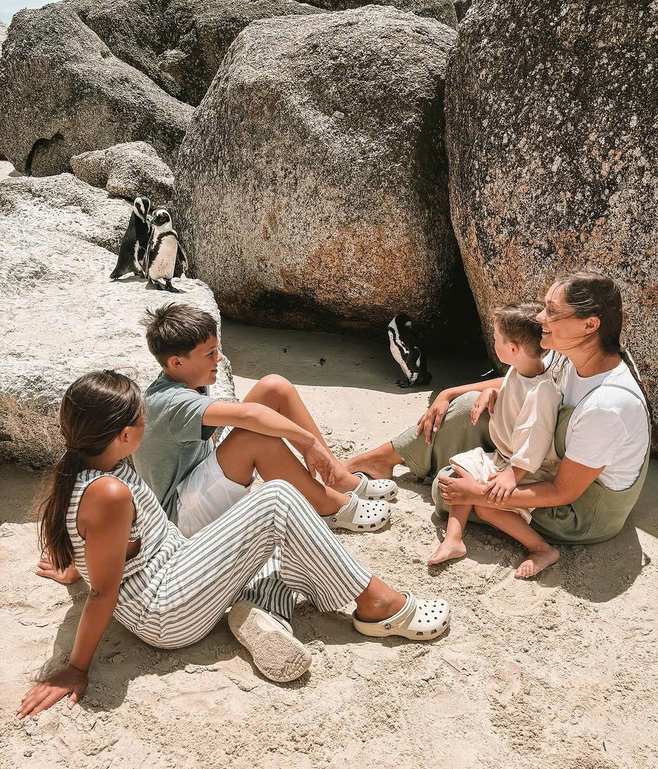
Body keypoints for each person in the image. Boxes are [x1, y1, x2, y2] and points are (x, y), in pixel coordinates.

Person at [19, 371, 450, 718]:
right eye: (141, 417)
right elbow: (103, 590)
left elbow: (94, 541)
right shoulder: (108, 492)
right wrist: (75, 668)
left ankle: (266, 613)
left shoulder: (89, 463)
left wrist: (75, 567)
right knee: (278, 500)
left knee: (291, 539)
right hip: (165, 611)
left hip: (175, 565)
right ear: (124, 435)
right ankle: (377, 604)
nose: (146, 420)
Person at [346, 271, 651, 557]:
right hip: (546, 457)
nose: (540, 318)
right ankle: (381, 460)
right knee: (470, 405)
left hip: (580, 510)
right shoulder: (572, 354)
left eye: (552, 312)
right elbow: (523, 378)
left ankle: (435, 474)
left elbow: (563, 492)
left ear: (590, 325)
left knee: (448, 488)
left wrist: (478, 494)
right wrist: (449, 393)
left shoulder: (607, 406)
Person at [133, 303, 398, 538]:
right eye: (210, 353)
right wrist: (308, 443)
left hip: (196, 482)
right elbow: (251, 416)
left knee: (274, 387)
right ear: (177, 362)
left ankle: (336, 477)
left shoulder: (186, 379)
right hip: (180, 516)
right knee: (254, 436)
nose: (219, 358)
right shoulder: (171, 402)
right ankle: (326, 505)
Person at [427, 303, 561, 576]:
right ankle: (454, 539)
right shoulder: (520, 370)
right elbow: (513, 395)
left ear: (513, 348)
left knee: (488, 507)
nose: (493, 341)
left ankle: (542, 549)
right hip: (507, 458)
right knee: (461, 471)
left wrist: (512, 476)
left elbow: (535, 441)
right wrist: (492, 393)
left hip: (527, 469)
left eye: (496, 338)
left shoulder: (542, 393)